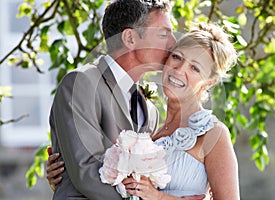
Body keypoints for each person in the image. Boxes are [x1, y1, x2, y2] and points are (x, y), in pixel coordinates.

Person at [47, 22, 240, 199]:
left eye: (195, 68)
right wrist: (66, 175)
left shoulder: (213, 134)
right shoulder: (148, 125)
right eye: (176, 57)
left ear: (209, 83)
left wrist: (159, 197)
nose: (179, 70)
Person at [48, 0, 176, 199]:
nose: (173, 43)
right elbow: (86, 172)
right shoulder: (81, 83)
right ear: (130, 38)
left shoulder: (150, 111)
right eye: (163, 34)